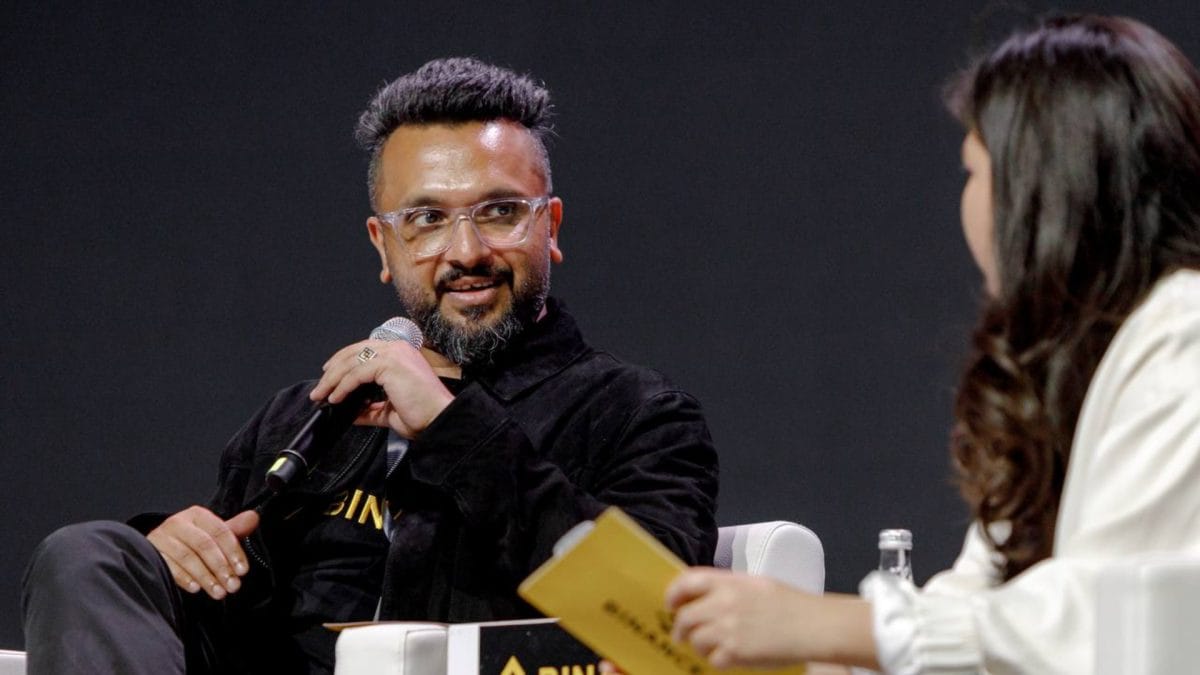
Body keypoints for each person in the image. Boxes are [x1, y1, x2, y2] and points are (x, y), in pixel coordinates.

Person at [21, 57, 719, 675]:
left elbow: (658, 619)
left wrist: (450, 424)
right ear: (383, 245)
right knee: (91, 554)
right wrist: (173, 554)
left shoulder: (636, 414)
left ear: (551, 227)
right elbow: (226, 612)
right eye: (426, 219)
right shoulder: (303, 418)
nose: (466, 251)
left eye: (500, 211)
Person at [654, 14, 1200, 674]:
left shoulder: (1183, 337)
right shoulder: (1080, 359)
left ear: (1041, 187)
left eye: (973, 171)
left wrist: (824, 623)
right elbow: (979, 605)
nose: (967, 206)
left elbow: (1117, 624)